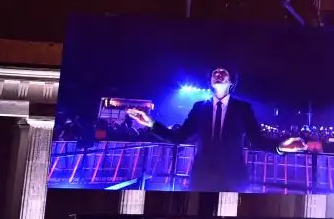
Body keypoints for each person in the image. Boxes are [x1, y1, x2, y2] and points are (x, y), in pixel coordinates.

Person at [127, 67, 305, 192]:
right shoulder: (199, 107)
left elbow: (257, 139)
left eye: (223, 72)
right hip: (202, 176)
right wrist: (151, 123)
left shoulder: (243, 108)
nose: (218, 74)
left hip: (233, 177)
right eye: (215, 72)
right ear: (211, 80)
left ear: (231, 82)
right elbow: (178, 137)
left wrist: (281, 147)